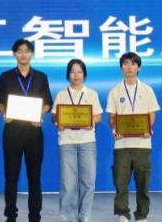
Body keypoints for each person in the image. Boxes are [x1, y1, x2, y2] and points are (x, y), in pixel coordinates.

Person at [0, 38, 53, 222]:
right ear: (14, 54)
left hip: (33, 132)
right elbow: (0, 101)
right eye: (19, 51)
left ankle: (35, 216)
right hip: (12, 131)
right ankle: (10, 216)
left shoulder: (41, 77)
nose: (23, 54)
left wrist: (39, 114)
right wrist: (5, 113)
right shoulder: (5, 77)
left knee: (34, 177)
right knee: (11, 176)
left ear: (31, 54)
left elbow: (48, 103)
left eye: (27, 51)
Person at [107, 51, 161, 222]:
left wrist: (148, 128)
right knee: (120, 181)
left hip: (142, 143)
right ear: (121, 67)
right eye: (126, 64)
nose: (129, 67)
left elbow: (151, 115)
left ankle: (142, 215)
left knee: (143, 182)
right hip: (121, 144)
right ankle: (122, 213)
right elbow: (112, 116)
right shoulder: (115, 91)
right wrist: (115, 128)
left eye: (133, 64)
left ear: (139, 67)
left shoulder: (147, 90)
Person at [52, 59, 102, 222]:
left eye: (79, 71)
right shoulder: (61, 94)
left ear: (84, 74)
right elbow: (54, 116)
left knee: (88, 182)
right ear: (68, 74)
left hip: (87, 141)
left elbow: (98, 116)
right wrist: (58, 121)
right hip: (67, 141)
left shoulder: (91, 94)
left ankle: (84, 216)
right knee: (68, 183)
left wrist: (90, 121)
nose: (76, 75)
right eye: (73, 71)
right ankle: (68, 218)